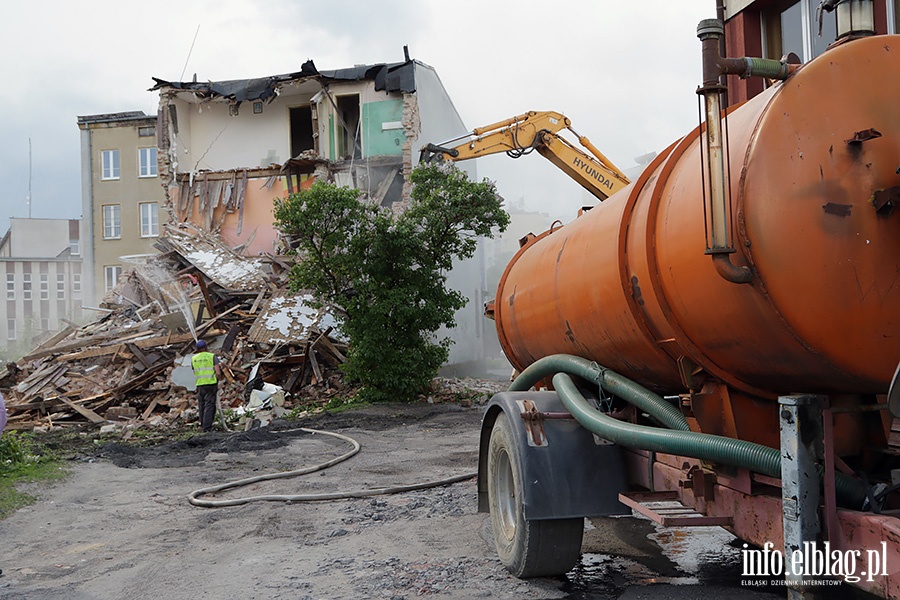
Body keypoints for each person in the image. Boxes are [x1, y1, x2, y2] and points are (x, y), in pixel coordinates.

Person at [191, 339, 222, 432]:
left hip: (200, 384)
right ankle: (207, 427)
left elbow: (195, 371)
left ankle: (202, 424)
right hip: (211, 384)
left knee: (202, 405)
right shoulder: (212, 356)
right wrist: (218, 380)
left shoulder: (193, 359)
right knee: (209, 405)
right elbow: (218, 372)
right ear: (206, 347)